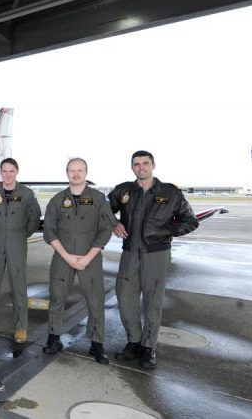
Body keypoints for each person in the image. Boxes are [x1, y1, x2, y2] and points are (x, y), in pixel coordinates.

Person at [108, 150, 198, 369]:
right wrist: (113, 223)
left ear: (153, 165)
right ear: (132, 168)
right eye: (136, 164)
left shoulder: (170, 192)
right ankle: (134, 341)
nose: (141, 167)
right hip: (130, 252)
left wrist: (164, 231)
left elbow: (190, 221)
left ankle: (149, 347)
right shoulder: (123, 190)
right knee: (125, 297)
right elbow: (104, 210)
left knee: (152, 301)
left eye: (145, 163)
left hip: (156, 253)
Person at [42, 158, 115, 364]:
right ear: (67, 173)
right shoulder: (57, 200)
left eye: (79, 170)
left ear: (86, 172)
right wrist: (66, 256)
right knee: (57, 298)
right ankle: (53, 338)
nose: (76, 174)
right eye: (72, 170)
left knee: (95, 300)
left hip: (89, 257)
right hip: (62, 256)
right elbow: (49, 230)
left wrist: (88, 257)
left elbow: (105, 229)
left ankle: (97, 344)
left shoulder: (99, 199)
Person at [0, 158, 41, 344]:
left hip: (17, 241)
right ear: (0, 173)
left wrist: (22, 235)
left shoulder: (27, 194)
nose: (7, 175)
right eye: (4, 171)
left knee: (18, 285)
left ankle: (21, 327)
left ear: (17, 172)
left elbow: (34, 217)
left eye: (11, 171)